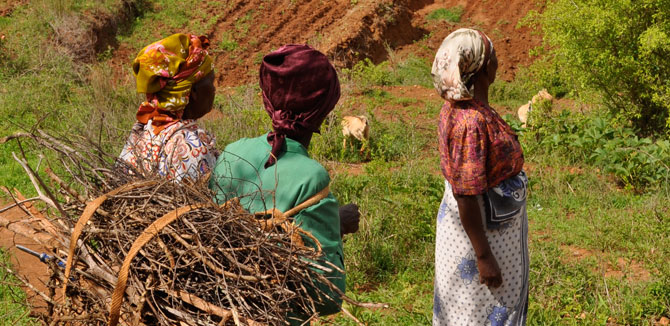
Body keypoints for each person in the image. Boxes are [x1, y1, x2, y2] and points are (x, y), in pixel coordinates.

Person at [209, 44, 359, 324]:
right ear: (323, 109)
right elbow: (326, 295)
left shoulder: (232, 153)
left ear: (268, 98)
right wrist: (335, 226)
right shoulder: (312, 178)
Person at [431, 28, 529, 325]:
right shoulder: (470, 123)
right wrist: (484, 257)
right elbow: (465, 193)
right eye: (494, 55)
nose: (498, 61)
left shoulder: (468, 109)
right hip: (483, 239)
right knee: (478, 311)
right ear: (483, 67)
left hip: (487, 231)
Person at [118, 33, 218, 182]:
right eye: (211, 82)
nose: (214, 89)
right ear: (193, 92)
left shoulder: (144, 130)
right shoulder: (190, 144)